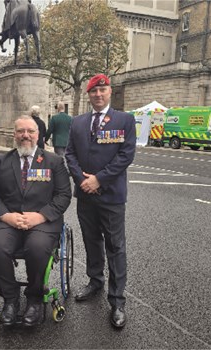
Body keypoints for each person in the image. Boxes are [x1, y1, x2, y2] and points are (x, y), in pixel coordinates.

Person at [0, 115, 71, 327]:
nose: (25, 135)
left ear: (38, 135)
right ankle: (11, 298)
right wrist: (7, 216)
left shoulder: (54, 162)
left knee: (37, 247)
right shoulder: (1, 162)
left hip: (43, 221)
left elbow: (63, 196)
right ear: (14, 135)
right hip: (8, 219)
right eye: (21, 131)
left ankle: (34, 298)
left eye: (30, 131)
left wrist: (39, 216)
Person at [65, 74, 136, 328]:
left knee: (115, 247)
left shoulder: (125, 120)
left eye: (102, 90)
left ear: (109, 91)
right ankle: (95, 281)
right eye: (94, 91)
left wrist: (99, 180)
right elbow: (69, 153)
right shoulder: (78, 122)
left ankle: (117, 300)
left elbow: (126, 155)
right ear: (89, 94)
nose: (98, 94)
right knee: (91, 240)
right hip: (85, 194)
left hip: (111, 195)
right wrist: (82, 180)